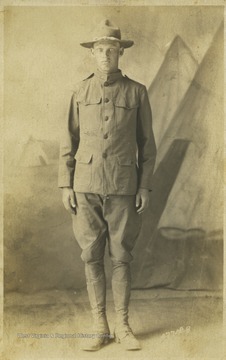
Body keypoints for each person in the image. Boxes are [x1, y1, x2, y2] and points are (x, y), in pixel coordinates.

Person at [58, 19, 156, 351]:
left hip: (124, 185)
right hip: (84, 186)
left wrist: (144, 186)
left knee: (122, 257)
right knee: (90, 256)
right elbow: (68, 140)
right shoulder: (79, 91)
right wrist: (65, 185)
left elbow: (148, 144)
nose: (105, 57)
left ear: (120, 54)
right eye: (99, 51)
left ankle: (124, 327)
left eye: (111, 51)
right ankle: (99, 325)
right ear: (92, 55)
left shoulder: (137, 92)